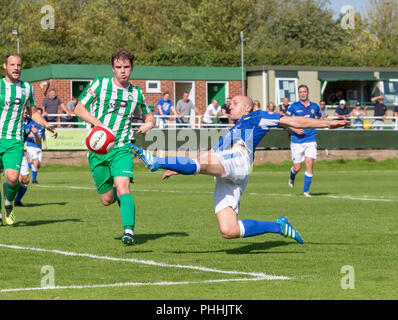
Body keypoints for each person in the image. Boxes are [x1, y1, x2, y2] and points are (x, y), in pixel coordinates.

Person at [131, 95, 349, 243]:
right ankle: (279, 226)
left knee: (203, 162)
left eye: (234, 103)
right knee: (229, 230)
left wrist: (328, 123)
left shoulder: (259, 116)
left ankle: (156, 160)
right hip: (228, 170)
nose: (230, 106)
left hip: (239, 160)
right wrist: (178, 169)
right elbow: (208, 156)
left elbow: (295, 121)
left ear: (247, 107)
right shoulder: (231, 131)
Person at [74, 48, 155, 246]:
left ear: (132, 68)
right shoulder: (100, 84)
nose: (123, 71)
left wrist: (149, 123)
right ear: (112, 68)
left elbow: (149, 115)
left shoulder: (136, 93)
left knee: (123, 186)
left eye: (126, 67)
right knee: (107, 199)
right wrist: (98, 124)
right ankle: (119, 199)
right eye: (119, 67)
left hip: (122, 147)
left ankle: (129, 231)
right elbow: (78, 108)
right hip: (98, 149)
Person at [0, 53, 57, 225]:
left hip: (14, 141)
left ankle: (9, 203)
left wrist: (46, 124)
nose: (16, 68)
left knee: (12, 178)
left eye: (18, 65)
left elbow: (32, 111)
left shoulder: (27, 88)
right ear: (5, 66)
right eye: (12, 65)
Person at [286, 85, 322, 198]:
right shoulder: (293, 107)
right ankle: (292, 176)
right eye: (300, 92)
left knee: (310, 164)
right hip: (297, 141)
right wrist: (295, 129)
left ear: (308, 93)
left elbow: (320, 118)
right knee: (297, 167)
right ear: (298, 94)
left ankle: (305, 191)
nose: (302, 94)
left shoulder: (315, 106)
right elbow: (285, 121)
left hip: (310, 139)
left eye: (304, 92)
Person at [14, 110, 42, 207]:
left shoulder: (31, 123)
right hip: (8, 151)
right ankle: (8, 198)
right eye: (23, 112)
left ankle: (17, 201)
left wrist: (35, 134)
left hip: (20, 152)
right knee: (13, 178)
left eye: (26, 112)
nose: (25, 114)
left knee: (25, 180)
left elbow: (38, 142)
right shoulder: (12, 119)